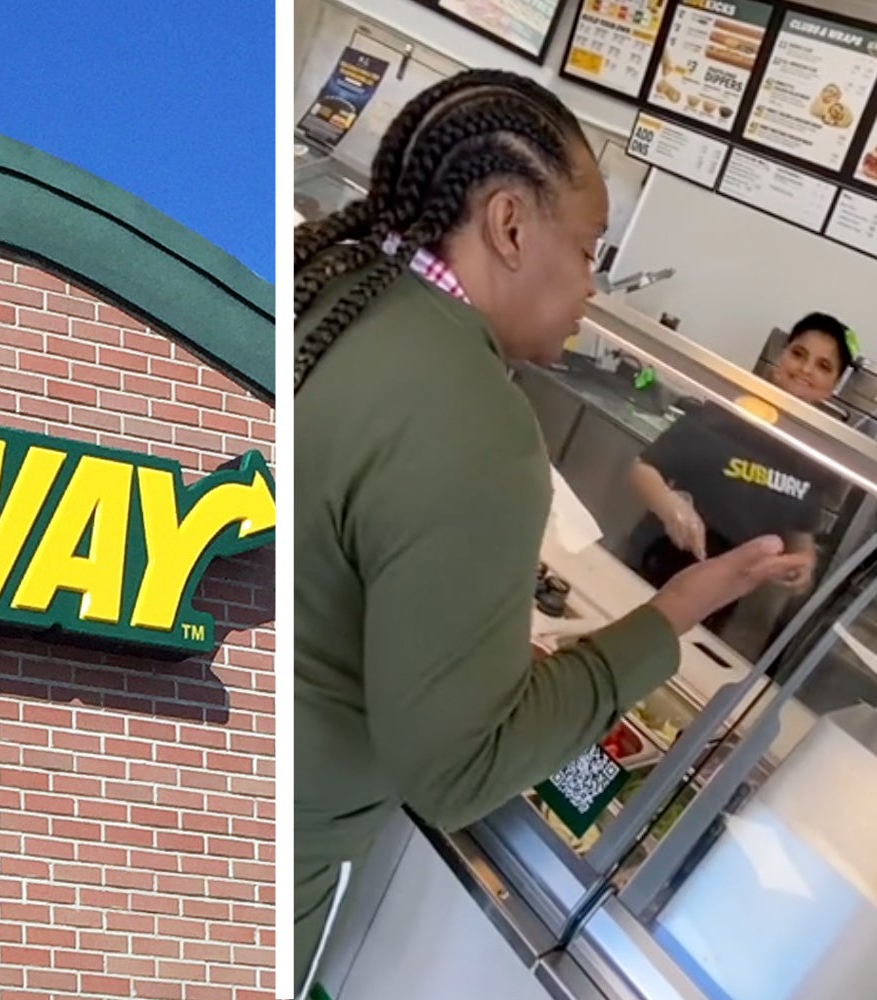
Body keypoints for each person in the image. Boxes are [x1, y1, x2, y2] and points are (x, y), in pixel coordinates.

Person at [291, 69, 801, 994]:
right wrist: (674, 613)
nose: (593, 287)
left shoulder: (338, 289)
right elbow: (458, 768)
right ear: (511, 225)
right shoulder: (476, 421)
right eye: (590, 248)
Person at [628, 313, 853, 606]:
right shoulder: (728, 411)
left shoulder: (813, 457)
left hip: (724, 592)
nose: (806, 369)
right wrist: (670, 506)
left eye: (823, 366)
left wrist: (804, 561)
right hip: (657, 559)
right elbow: (642, 469)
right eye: (799, 354)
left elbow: (800, 530)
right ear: (781, 356)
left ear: (832, 387)